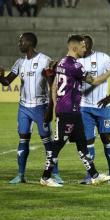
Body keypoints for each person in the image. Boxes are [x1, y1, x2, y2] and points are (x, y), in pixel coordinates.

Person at [40, 34, 110, 187]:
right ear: (74, 48)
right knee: (57, 145)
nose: (85, 49)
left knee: (82, 144)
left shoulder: (61, 63)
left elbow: (53, 87)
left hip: (73, 111)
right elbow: (96, 81)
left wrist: (55, 105)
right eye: (82, 47)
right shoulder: (74, 65)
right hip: (67, 112)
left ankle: (94, 175)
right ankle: (45, 177)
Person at [0, 32, 63, 184]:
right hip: (23, 107)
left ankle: (55, 173)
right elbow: (7, 82)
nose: (19, 44)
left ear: (29, 43)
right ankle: (20, 175)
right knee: (23, 139)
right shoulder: (19, 62)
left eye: (21, 41)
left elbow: (52, 84)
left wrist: (51, 107)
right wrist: (0, 76)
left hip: (40, 107)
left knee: (47, 141)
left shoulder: (44, 60)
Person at [77, 35, 110, 185]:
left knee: (106, 139)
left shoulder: (102, 58)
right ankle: (91, 175)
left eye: (84, 45)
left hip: (103, 108)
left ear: (89, 45)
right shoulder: (76, 61)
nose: (81, 48)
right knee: (88, 142)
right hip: (84, 108)